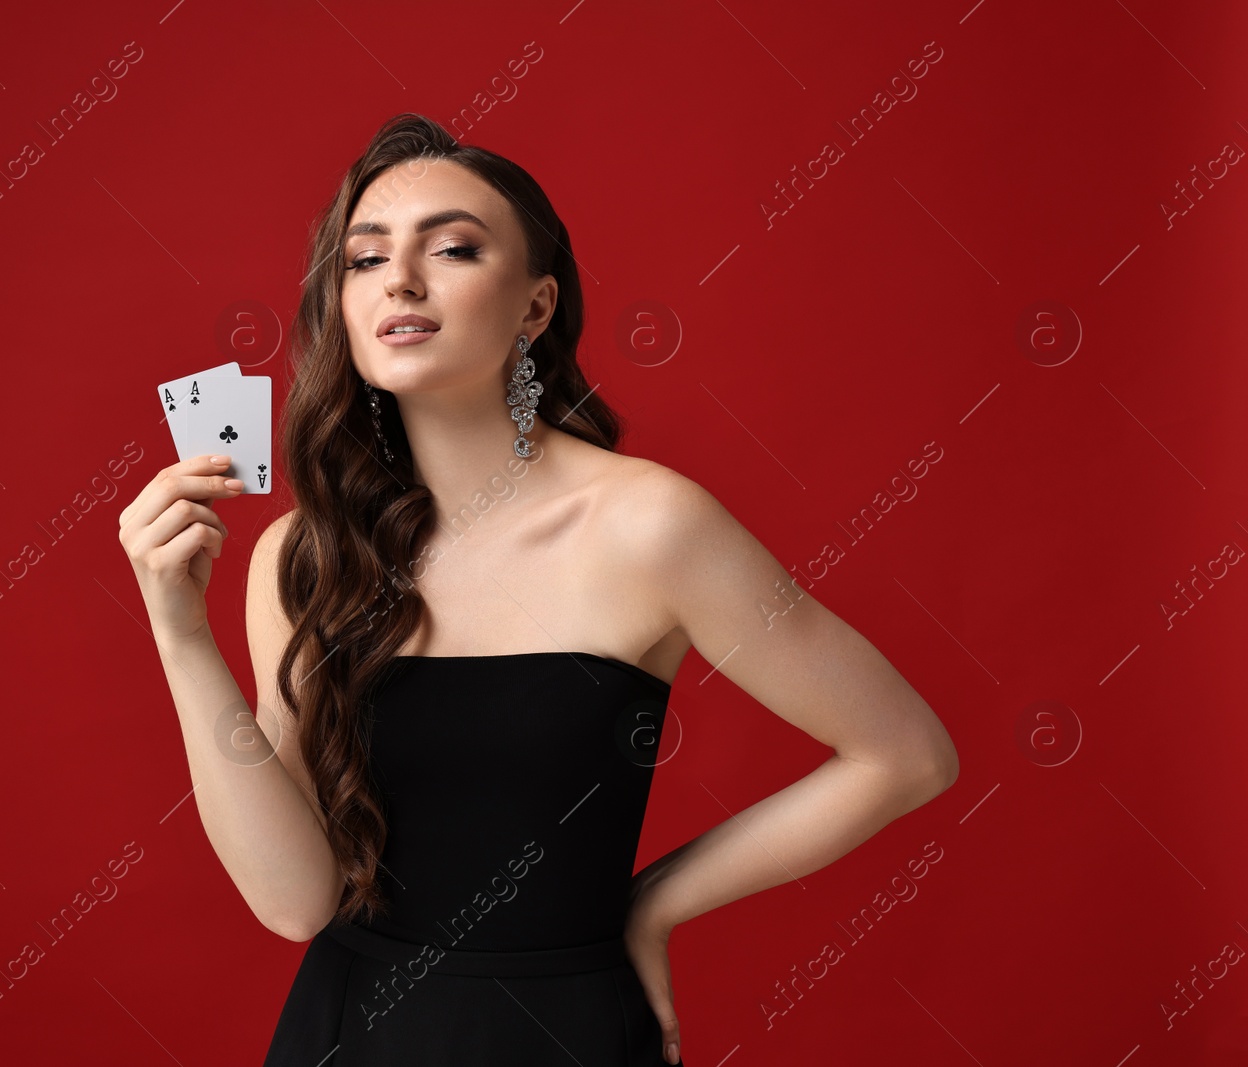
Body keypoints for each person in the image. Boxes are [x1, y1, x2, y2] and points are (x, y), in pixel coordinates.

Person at [118, 112, 960, 1066]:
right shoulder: (301, 555)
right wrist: (181, 633)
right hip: (346, 1033)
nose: (400, 278)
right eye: (364, 259)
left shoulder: (650, 526)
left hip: (568, 1034)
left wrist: (656, 902)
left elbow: (906, 754)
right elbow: (294, 900)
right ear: (342, 309)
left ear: (535, 305)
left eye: (454, 247)